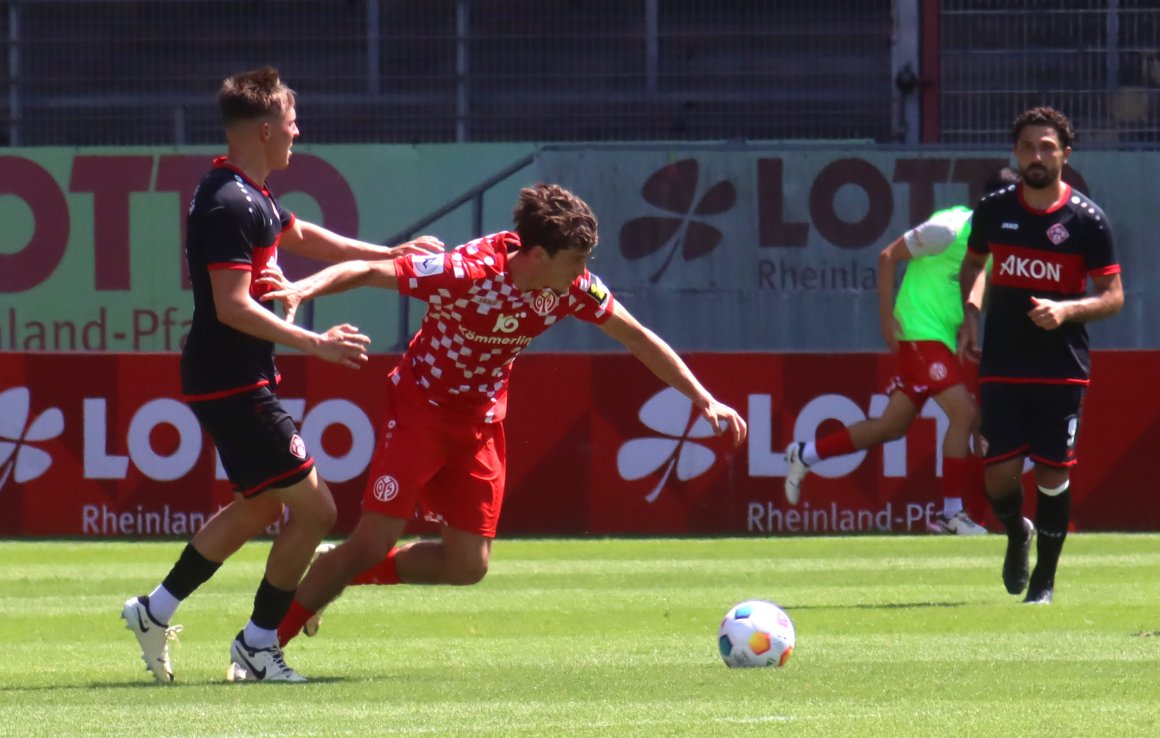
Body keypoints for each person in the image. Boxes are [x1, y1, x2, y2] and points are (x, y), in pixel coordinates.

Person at [259, 183, 748, 649]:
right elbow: (369, 272)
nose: (584, 270)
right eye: (576, 259)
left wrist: (702, 397)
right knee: (371, 540)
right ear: (539, 256)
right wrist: (303, 289)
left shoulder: (573, 288)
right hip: (422, 409)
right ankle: (264, 646)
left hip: (480, 422)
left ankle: (337, 571)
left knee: (468, 565)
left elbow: (637, 336)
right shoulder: (466, 271)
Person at [120, 66, 441, 683]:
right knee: (316, 512)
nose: (299, 132)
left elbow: (304, 235)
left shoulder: (251, 193)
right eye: (292, 123)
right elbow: (231, 304)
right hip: (232, 378)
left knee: (261, 505)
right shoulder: (225, 203)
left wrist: (388, 254)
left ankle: (154, 610)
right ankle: (259, 644)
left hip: (235, 375)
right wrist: (314, 343)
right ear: (265, 129)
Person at [782, 167, 1020, 535]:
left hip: (940, 337)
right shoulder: (950, 229)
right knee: (966, 413)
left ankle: (805, 453)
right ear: (993, 203)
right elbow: (888, 255)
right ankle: (951, 515)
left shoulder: (994, 242)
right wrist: (885, 319)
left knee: (890, 427)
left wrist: (968, 323)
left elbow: (977, 280)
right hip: (916, 332)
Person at [959, 106, 1123, 604]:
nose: (1036, 155)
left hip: (1061, 365)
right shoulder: (994, 209)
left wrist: (1067, 310)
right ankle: (1016, 533)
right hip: (1004, 359)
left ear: (1065, 155)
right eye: (1028, 146)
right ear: (1016, 152)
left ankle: (1045, 582)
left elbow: (1113, 295)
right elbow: (973, 264)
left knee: (1053, 473)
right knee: (998, 476)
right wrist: (970, 314)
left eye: (1047, 147)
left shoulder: (1087, 220)